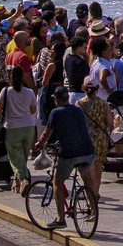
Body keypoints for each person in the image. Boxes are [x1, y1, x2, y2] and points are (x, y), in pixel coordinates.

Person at [33, 87, 96, 229]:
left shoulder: (55, 112)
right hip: (88, 152)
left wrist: (39, 144)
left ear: (56, 100)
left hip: (70, 154)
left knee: (57, 182)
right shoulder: (78, 109)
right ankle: (93, 209)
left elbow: (46, 134)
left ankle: (61, 219)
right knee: (86, 177)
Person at [0, 64, 40, 189]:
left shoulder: (6, 91)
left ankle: (24, 179)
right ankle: (17, 181)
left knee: (14, 155)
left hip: (12, 127)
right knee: (23, 156)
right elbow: (32, 110)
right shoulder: (29, 92)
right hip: (28, 126)